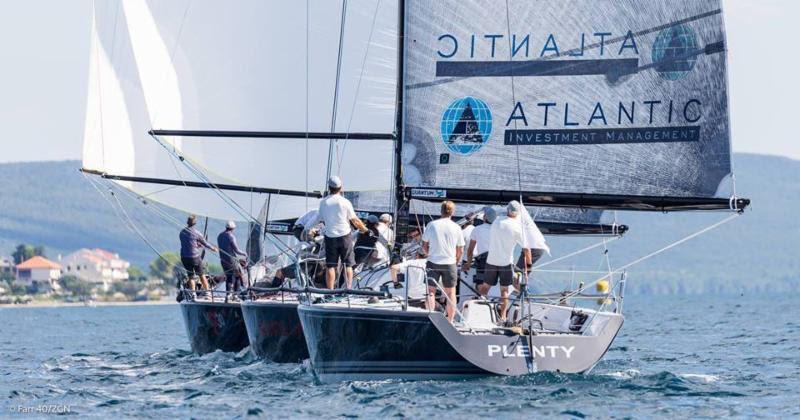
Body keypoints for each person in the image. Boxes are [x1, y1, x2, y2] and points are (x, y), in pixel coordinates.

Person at [308, 176, 368, 289]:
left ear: (329, 187)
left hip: (330, 237)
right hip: (345, 237)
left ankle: (330, 291)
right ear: (341, 187)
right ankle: (348, 289)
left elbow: (318, 218)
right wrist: (365, 230)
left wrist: (307, 227)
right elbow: (355, 220)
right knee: (348, 264)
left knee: (330, 266)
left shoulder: (323, 202)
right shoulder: (345, 202)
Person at [485, 201, 531, 322]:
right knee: (504, 291)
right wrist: (528, 267)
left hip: (491, 260)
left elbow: (498, 215)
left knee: (485, 288)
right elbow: (527, 249)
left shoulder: (496, 221)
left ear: (507, 210)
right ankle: (503, 317)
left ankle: (480, 312)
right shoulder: (517, 227)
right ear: (517, 213)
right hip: (506, 263)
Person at [421, 200, 464, 322]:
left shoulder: (432, 225)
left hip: (433, 261)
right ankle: (450, 321)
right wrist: (456, 260)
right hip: (450, 263)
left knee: (430, 291)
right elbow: (460, 249)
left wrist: (428, 253)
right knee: (450, 293)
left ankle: (430, 319)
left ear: (441, 211)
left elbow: (424, 244)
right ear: (453, 212)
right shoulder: (456, 227)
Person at [461, 207, 496, 296]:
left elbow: (470, 250)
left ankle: (482, 301)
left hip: (483, 260)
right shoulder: (498, 229)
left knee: (480, 284)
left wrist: (468, 263)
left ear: (485, 218)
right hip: (496, 260)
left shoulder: (477, 229)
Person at [516, 203, 551, 289]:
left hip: (534, 248)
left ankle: (520, 292)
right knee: (520, 272)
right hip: (537, 247)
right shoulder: (523, 219)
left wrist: (528, 267)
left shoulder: (519, 224)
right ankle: (520, 289)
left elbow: (527, 249)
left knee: (517, 272)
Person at [179, 215, 217, 293]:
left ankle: (193, 294)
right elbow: (205, 243)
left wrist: (197, 245)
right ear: (195, 223)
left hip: (184, 258)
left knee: (191, 277)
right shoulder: (197, 233)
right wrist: (213, 248)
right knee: (201, 275)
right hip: (194, 257)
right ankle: (208, 292)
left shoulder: (182, 232)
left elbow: (189, 243)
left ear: (187, 223)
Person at [217, 221, 248, 296]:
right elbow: (237, 250)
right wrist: (245, 254)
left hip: (223, 260)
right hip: (231, 261)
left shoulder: (219, 236)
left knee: (229, 277)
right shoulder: (231, 236)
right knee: (237, 275)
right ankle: (235, 295)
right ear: (233, 228)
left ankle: (228, 295)